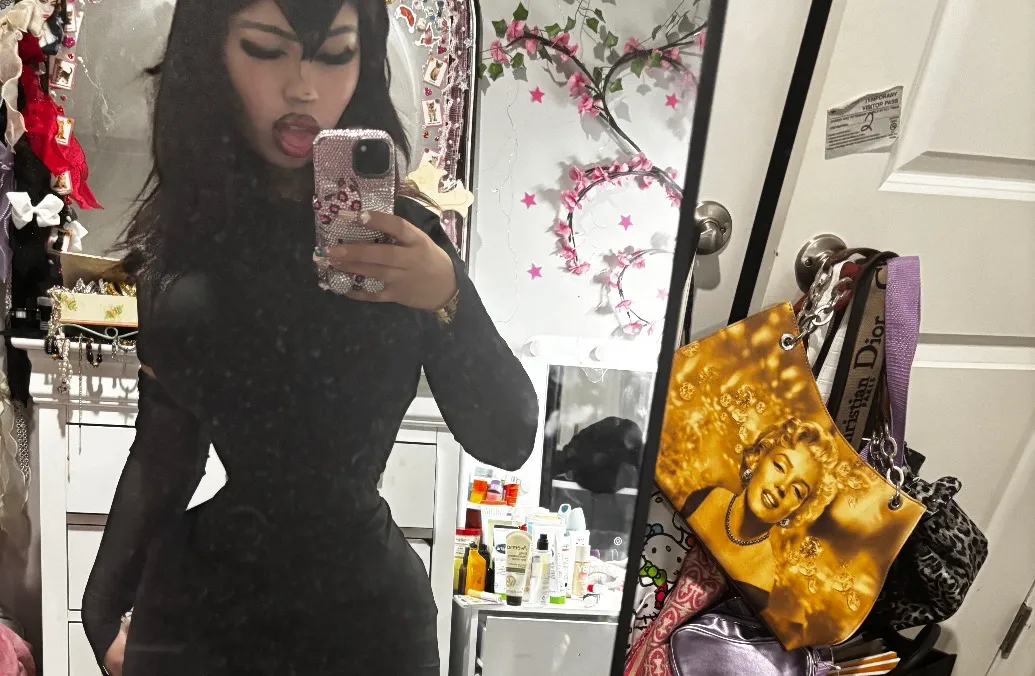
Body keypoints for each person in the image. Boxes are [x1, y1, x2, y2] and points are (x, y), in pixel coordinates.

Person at [80, 1, 538, 675]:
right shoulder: (185, 244)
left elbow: (508, 439)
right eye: (267, 50)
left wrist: (449, 296)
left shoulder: (401, 240)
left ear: (364, 60)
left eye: (334, 54)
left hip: (370, 625)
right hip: (201, 613)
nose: (302, 87)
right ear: (211, 54)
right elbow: (167, 451)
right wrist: (100, 610)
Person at [680, 418, 838, 609]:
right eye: (779, 466)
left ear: (799, 509)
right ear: (758, 459)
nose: (783, 486)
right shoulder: (703, 499)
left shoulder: (758, 586)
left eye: (797, 491)